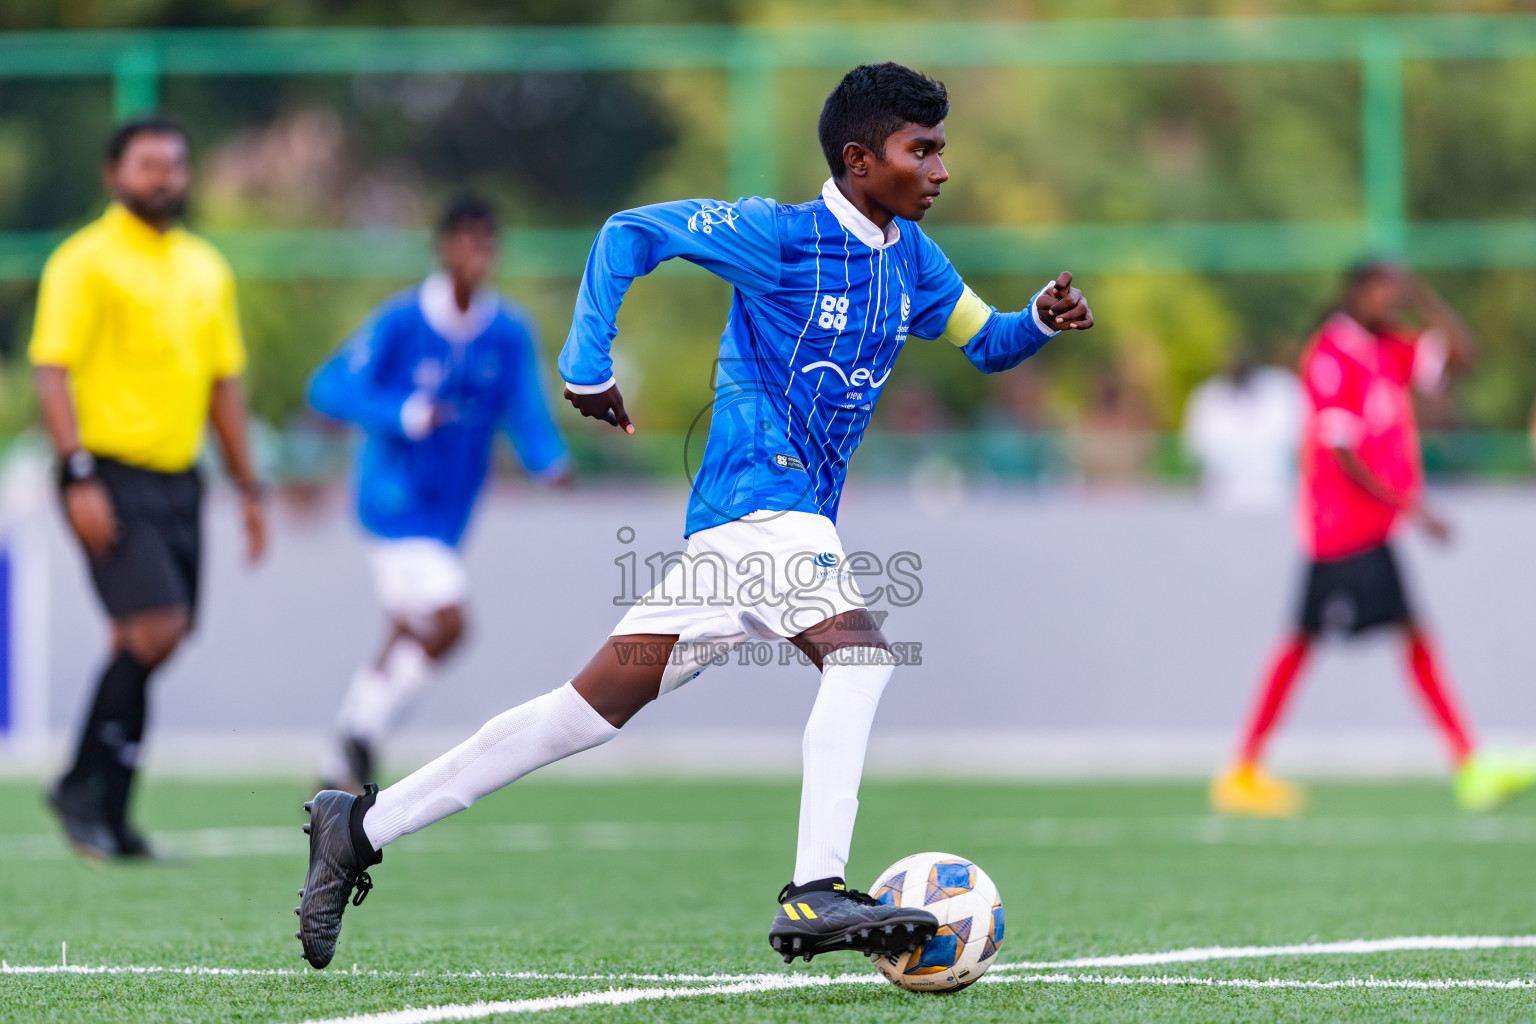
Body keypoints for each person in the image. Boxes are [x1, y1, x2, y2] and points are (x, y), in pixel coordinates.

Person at [293, 62, 1093, 970]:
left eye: (943, 151)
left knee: (578, 717)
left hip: (745, 542)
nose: (942, 170)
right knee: (861, 658)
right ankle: (814, 890)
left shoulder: (912, 259)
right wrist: (587, 361)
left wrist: (1037, 318)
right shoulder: (778, 237)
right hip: (762, 507)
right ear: (861, 160)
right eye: (924, 151)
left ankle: (358, 826)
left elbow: (984, 341)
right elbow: (633, 232)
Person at [1211, 263, 1534, 817]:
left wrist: (1426, 298)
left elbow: (1464, 356)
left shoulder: (1389, 348)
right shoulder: (1332, 354)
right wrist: (1410, 506)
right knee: (1347, 640)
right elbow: (1340, 449)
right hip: (1341, 531)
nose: (1392, 299)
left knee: (1330, 641)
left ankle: (1246, 767)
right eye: (1385, 288)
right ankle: (1466, 763)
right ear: (1357, 292)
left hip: (1368, 530)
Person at [30, 115, 267, 859]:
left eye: (173, 165)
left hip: (179, 479)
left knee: (154, 638)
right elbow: (51, 370)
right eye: (146, 165)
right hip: (106, 473)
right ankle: (79, 787)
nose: (161, 177)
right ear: (114, 176)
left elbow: (223, 385)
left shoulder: (205, 268)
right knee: (154, 629)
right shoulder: (83, 261)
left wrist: (249, 485)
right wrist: (77, 474)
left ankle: (106, 808)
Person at [308, 194, 572, 794]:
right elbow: (328, 388)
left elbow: (524, 407)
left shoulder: (506, 331)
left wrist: (548, 460)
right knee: (449, 622)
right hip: (393, 503)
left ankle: (344, 751)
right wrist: (401, 412)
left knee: (411, 628)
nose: (478, 254)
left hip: (450, 511)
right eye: (467, 240)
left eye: (488, 242)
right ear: (444, 247)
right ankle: (362, 738)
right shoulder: (402, 322)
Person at [1183, 348, 1303, 513]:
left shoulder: (1283, 391)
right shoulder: (1208, 397)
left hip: (1276, 496)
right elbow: (1196, 451)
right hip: (1222, 499)